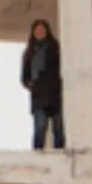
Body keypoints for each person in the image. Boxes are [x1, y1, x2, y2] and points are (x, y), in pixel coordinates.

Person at [21, 19, 66, 150]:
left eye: (42, 30)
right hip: (39, 96)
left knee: (58, 126)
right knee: (40, 125)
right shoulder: (29, 53)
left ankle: (61, 154)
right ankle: (37, 153)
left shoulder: (55, 48)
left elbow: (63, 68)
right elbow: (24, 77)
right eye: (37, 30)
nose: (40, 33)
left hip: (54, 93)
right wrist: (33, 86)